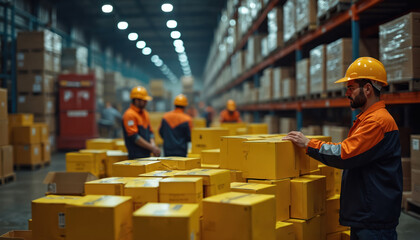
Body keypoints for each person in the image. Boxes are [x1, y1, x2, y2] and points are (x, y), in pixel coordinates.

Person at [283, 57, 402, 240]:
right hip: (368, 214)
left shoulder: (377, 122)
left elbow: (344, 154)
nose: (347, 93)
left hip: (373, 219)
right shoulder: (369, 119)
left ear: (368, 89)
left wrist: (309, 144)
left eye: (351, 88)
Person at [122, 86, 161, 159]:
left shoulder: (145, 113)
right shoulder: (129, 115)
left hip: (147, 154)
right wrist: (152, 148)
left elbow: (150, 132)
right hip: (135, 156)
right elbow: (135, 137)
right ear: (137, 100)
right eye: (144, 100)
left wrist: (153, 146)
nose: (146, 102)